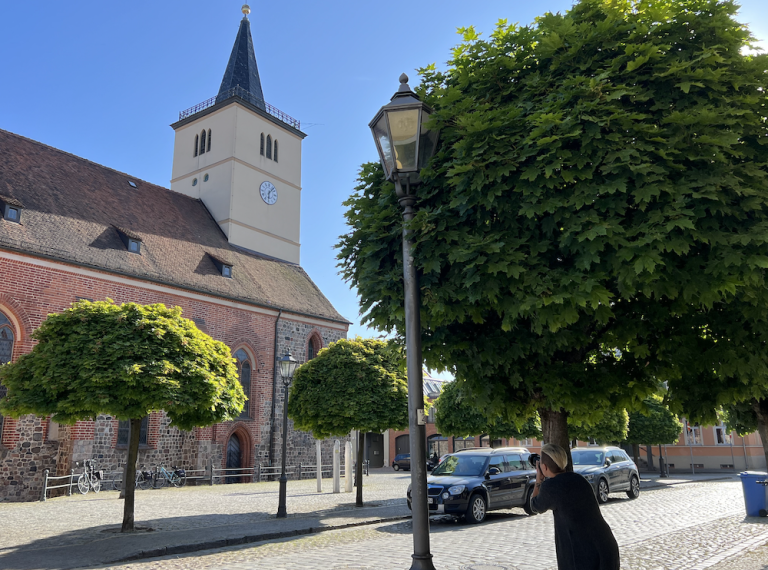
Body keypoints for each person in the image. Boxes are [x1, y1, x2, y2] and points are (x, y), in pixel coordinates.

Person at [530, 443, 620, 570]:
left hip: (581, 555)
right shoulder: (579, 479)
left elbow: (534, 505)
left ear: (544, 466)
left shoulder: (550, 487)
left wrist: (539, 478)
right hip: (605, 546)